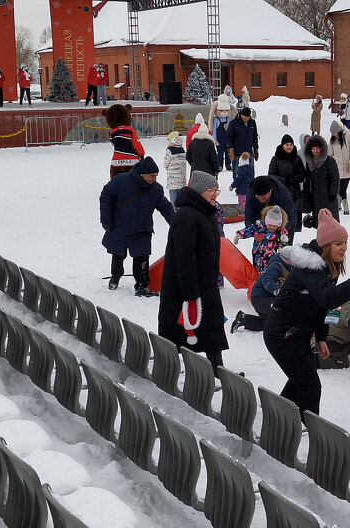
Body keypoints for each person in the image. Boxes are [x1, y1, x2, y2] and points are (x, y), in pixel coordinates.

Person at [264, 209, 350, 415]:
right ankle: (307, 427)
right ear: (326, 245)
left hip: (296, 333)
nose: (344, 248)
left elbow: (321, 305)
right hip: (282, 335)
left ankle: (277, 418)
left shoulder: (325, 267)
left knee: (300, 382)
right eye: (339, 243)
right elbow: (329, 297)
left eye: (345, 242)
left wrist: (322, 336)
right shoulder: (310, 268)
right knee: (310, 386)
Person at [158, 171, 229, 371]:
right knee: (183, 331)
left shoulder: (206, 212)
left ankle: (217, 368)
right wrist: (190, 292)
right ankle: (171, 369)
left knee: (211, 327)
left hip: (206, 282)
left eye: (216, 190)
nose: (215, 194)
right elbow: (184, 257)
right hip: (187, 286)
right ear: (198, 191)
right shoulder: (186, 216)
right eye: (210, 190)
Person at [100, 156, 173, 295]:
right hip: (121, 225)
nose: (154, 179)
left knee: (142, 257)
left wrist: (175, 223)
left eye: (156, 176)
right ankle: (115, 276)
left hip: (142, 229)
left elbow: (165, 207)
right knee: (118, 254)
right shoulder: (121, 181)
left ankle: (141, 286)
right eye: (152, 176)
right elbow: (105, 196)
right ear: (142, 174)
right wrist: (106, 219)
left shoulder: (156, 189)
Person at [232, 250, 289, 333]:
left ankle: (244, 319)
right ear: (286, 259)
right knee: (281, 308)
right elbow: (267, 280)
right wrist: (277, 291)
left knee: (266, 324)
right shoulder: (276, 266)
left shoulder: (290, 268)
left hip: (266, 298)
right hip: (261, 297)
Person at [233, 205, 289, 273]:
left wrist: (283, 241)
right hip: (258, 254)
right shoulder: (259, 227)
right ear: (266, 222)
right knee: (257, 271)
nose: (272, 227)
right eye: (270, 225)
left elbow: (283, 246)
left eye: (275, 226)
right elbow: (250, 230)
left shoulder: (280, 233)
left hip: (271, 256)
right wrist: (240, 234)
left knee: (269, 271)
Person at [247, 176, 300, 243]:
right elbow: (249, 215)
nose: (261, 199)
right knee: (261, 247)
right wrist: (254, 231)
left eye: (264, 197)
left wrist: (281, 233)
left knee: (283, 246)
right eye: (258, 197)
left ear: (271, 190)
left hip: (285, 223)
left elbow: (290, 215)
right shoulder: (252, 193)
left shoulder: (282, 194)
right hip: (263, 225)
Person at [302, 134, 341, 220]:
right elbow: (308, 180)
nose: (315, 151)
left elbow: (335, 178)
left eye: (317, 148)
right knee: (318, 221)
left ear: (322, 149)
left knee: (331, 220)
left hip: (328, 197)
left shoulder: (330, 161)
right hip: (315, 197)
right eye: (313, 149)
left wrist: (333, 193)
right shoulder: (309, 163)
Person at [268, 134, 306, 214]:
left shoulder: (297, 158)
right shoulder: (276, 158)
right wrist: (285, 180)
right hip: (281, 191)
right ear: (282, 145)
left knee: (296, 215)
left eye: (291, 145)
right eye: (287, 144)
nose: (289, 147)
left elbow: (302, 174)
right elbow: (271, 175)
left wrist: (294, 179)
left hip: (296, 193)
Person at [328, 120, 350, 216]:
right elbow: (329, 154)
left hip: (348, 167)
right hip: (337, 168)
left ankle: (338, 203)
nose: (333, 134)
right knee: (341, 187)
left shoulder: (348, 136)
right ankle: (345, 206)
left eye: (335, 132)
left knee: (343, 187)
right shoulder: (332, 140)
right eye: (332, 133)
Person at [210, 88, 237, 170]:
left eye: (226, 110)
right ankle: (220, 165)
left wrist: (229, 128)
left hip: (227, 138)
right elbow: (214, 129)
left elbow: (231, 127)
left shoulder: (228, 118)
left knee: (228, 151)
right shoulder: (216, 119)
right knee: (220, 152)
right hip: (219, 139)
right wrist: (214, 139)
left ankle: (228, 165)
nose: (224, 112)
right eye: (221, 110)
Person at [226, 107, 259, 173]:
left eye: (247, 117)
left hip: (249, 152)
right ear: (241, 114)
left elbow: (254, 136)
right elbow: (229, 137)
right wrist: (230, 148)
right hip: (237, 153)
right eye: (244, 116)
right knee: (237, 173)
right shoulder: (234, 123)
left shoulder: (252, 123)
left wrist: (256, 148)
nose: (245, 118)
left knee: (250, 172)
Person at [163, 131, 186, 204]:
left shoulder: (170, 150)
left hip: (172, 180)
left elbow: (165, 164)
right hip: (182, 179)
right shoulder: (182, 150)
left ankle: (174, 210)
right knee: (181, 200)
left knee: (174, 201)